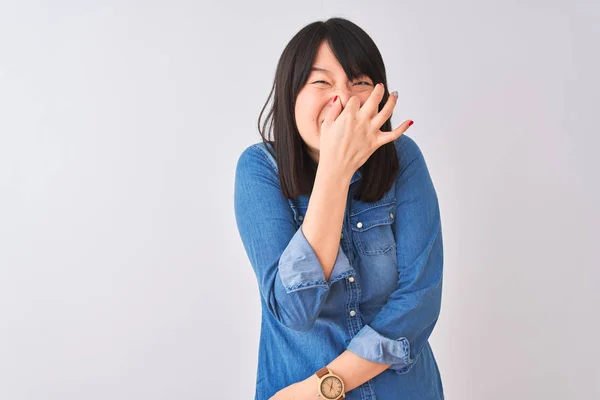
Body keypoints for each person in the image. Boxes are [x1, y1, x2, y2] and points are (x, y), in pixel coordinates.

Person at [234, 17, 444, 400]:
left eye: (359, 82)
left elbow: (419, 302)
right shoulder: (260, 170)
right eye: (321, 82)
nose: (344, 99)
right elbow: (295, 311)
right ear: (290, 93)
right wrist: (335, 168)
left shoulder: (403, 159)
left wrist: (322, 389)